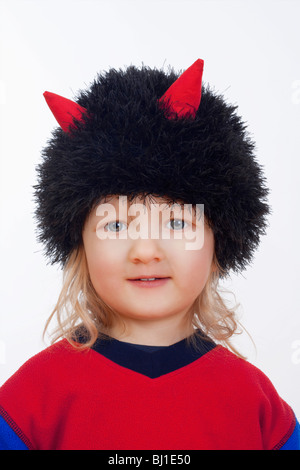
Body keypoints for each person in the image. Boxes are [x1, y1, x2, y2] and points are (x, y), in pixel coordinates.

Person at [0, 59, 299, 450]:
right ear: (80, 247)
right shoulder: (29, 402)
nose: (144, 251)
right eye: (116, 225)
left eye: (176, 223)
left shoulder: (255, 401)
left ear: (218, 243)